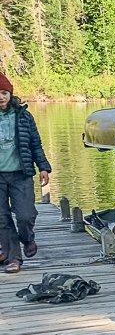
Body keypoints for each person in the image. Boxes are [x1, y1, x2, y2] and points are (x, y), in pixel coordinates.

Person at [0, 72, 52, 273]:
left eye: (4, 93)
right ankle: (14, 258)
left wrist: (44, 167)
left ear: (10, 94)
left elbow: (35, 144)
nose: (1, 97)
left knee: (25, 215)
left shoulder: (23, 116)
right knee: (2, 218)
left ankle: (28, 238)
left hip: (21, 174)